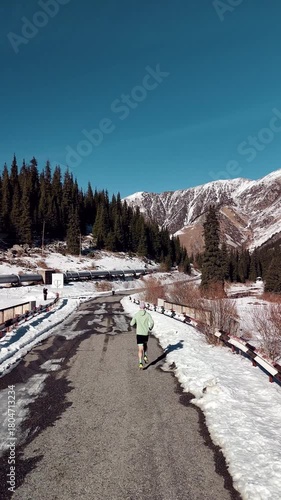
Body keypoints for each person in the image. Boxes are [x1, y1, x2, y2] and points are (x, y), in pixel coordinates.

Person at [130, 301, 154, 369]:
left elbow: (131, 323)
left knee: (140, 349)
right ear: (145, 307)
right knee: (145, 344)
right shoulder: (147, 314)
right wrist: (150, 327)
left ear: (139, 307)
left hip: (139, 334)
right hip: (145, 333)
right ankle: (145, 355)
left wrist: (135, 324)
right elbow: (151, 322)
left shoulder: (136, 314)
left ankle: (140, 362)